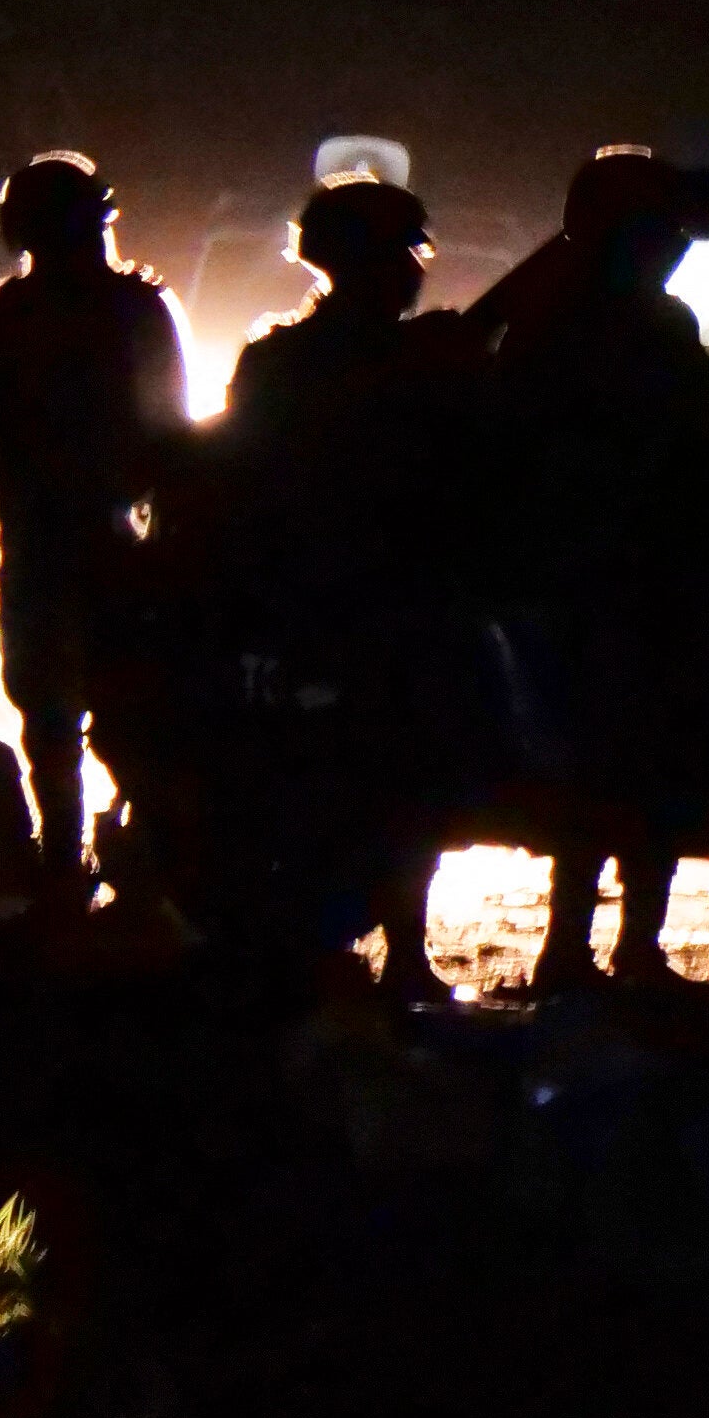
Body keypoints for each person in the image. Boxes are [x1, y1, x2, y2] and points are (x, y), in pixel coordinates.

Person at [218, 172, 468, 990]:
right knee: (375, 784)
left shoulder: (279, 361)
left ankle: (374, 948)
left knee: (377, 784)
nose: (415, 266)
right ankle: (372, 948)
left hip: (343, 603)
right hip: (351, 605)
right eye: (402, 249)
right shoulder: (407, 362)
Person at [475, 147, 709, 990]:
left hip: (592, 575)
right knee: (627, 766)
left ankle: (588, 947)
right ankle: (609, 948)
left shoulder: (555, 323)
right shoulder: (624, 329)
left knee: (605, 769)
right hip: (608, 578)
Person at [0, 152, 188, 901]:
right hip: (95, 537)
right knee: (82, 705)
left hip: (84, 537)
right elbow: (173, 423)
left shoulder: (11, 317)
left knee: (78, 707)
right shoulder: (124, 310)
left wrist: (14, 488)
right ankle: (98, 855)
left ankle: (88, 856)